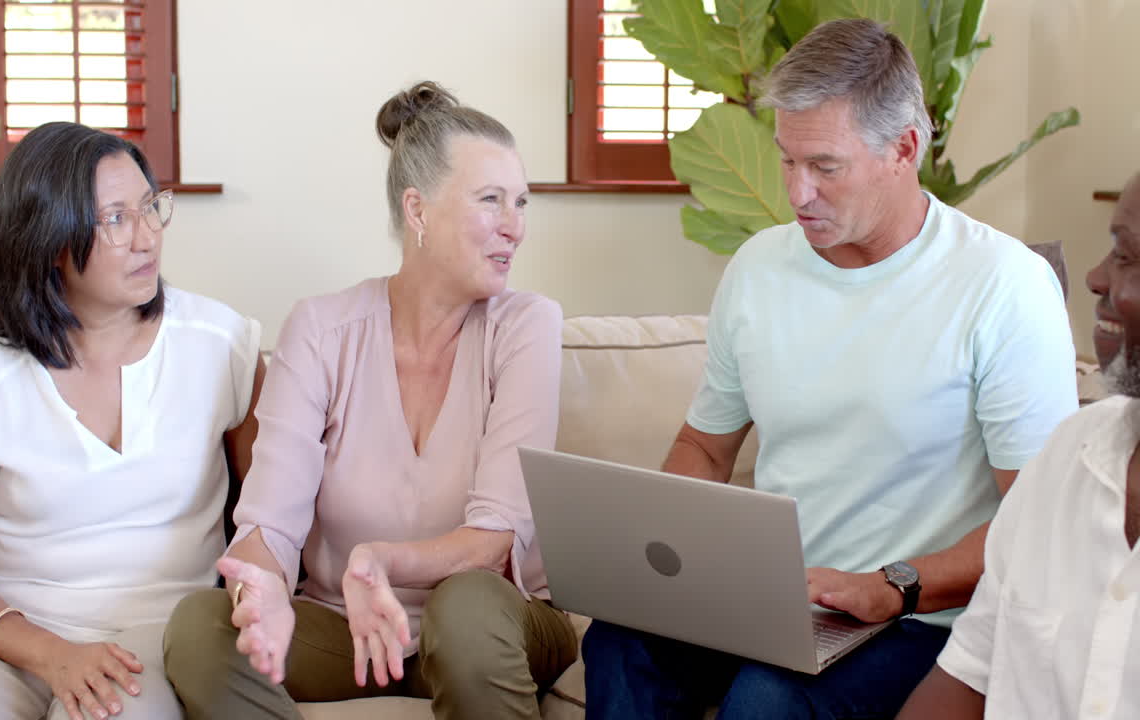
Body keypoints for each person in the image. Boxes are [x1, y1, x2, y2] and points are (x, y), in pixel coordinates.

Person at [580, 18, 1079, 719]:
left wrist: (892, 585)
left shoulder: (1001, 285)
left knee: (769, 699)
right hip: (774, 611)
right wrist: (671, 564)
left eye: (825, 166)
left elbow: (1041, 516)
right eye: (787, 160)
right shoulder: (758, 269)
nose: (798, 192)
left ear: (904, 148)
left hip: (920, 620)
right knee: (618, 645)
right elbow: (704, 446)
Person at [162, 81, 577, 720]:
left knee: (463, 606)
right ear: (418, 211)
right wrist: (260, 591)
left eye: (521, 202)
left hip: (496, 624)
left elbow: (495, 541)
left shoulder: (526, 326)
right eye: (490, 200)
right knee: (200, 627)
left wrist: (378, 561)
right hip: (345, 630)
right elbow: (268, 524)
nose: (514, 227)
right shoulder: (322, 330)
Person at [0, 121, 264, 720]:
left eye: (150, 208)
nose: (147, 238)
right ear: (49, 242)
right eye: (115, 219)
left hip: (156, 639)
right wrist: (51, 653)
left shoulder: (222, 345)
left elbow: (273, 517)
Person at [896, 173, 1140, 719]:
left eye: (1127, 257)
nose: (1096, 277)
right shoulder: (1067, 457)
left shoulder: (1000, 281)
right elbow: (966, 675)